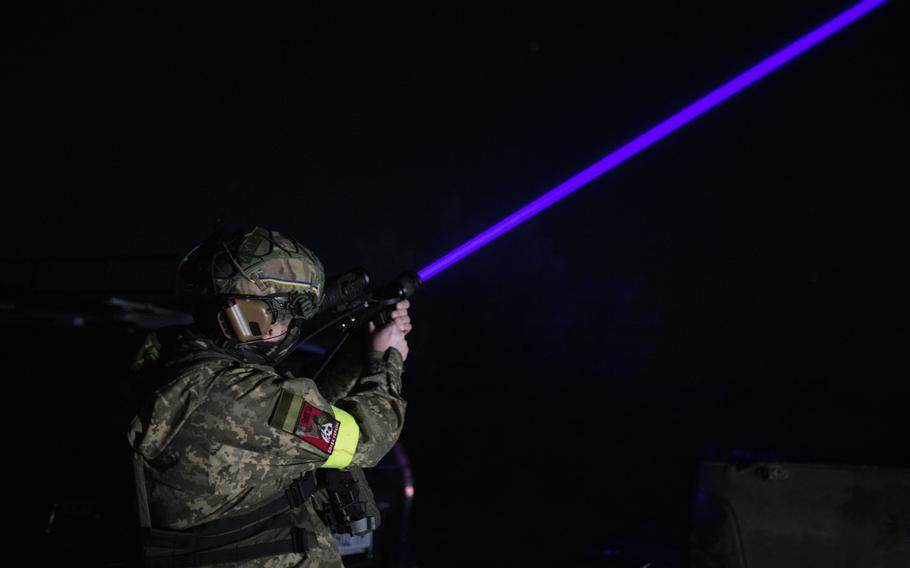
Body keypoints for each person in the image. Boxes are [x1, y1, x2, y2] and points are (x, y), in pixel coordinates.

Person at [127, 226, 411, 567]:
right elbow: (365, 439)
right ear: (249, 317)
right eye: (281, 313)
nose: (286, 326)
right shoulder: (239, 397)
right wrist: (387, 361)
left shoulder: (170, 359)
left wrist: (356, 354)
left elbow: (295, 414)